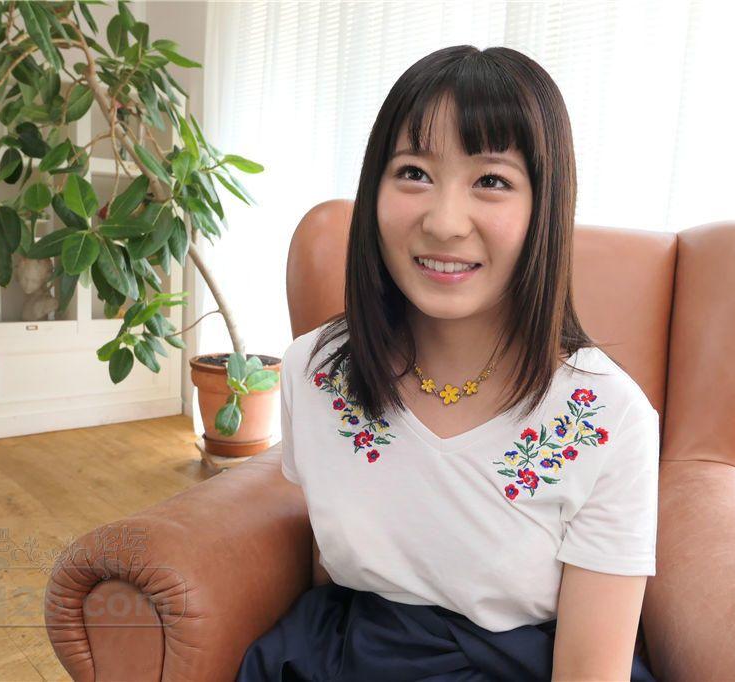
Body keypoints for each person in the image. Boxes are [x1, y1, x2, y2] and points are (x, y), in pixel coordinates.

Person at [236, 44, 660, 682]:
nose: (444, 222)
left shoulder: (609, 416)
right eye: (413, 172)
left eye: (492, 181)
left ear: (545, 207)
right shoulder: (312, 371)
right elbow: (330, 569)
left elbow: (589, 672)